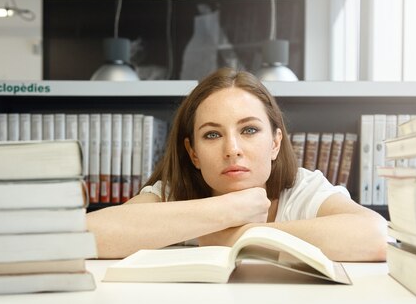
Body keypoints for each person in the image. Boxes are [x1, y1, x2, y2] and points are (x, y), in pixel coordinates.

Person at [87, 68, 387, 261]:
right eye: (213, 134)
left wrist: (242, 237)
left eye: (249, 130)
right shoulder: (173, 194)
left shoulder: (302, 190)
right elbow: (88, 236)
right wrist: (227, 210)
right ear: (193, 153)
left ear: (275, 143)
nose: (232, 149)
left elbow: (375, 235)